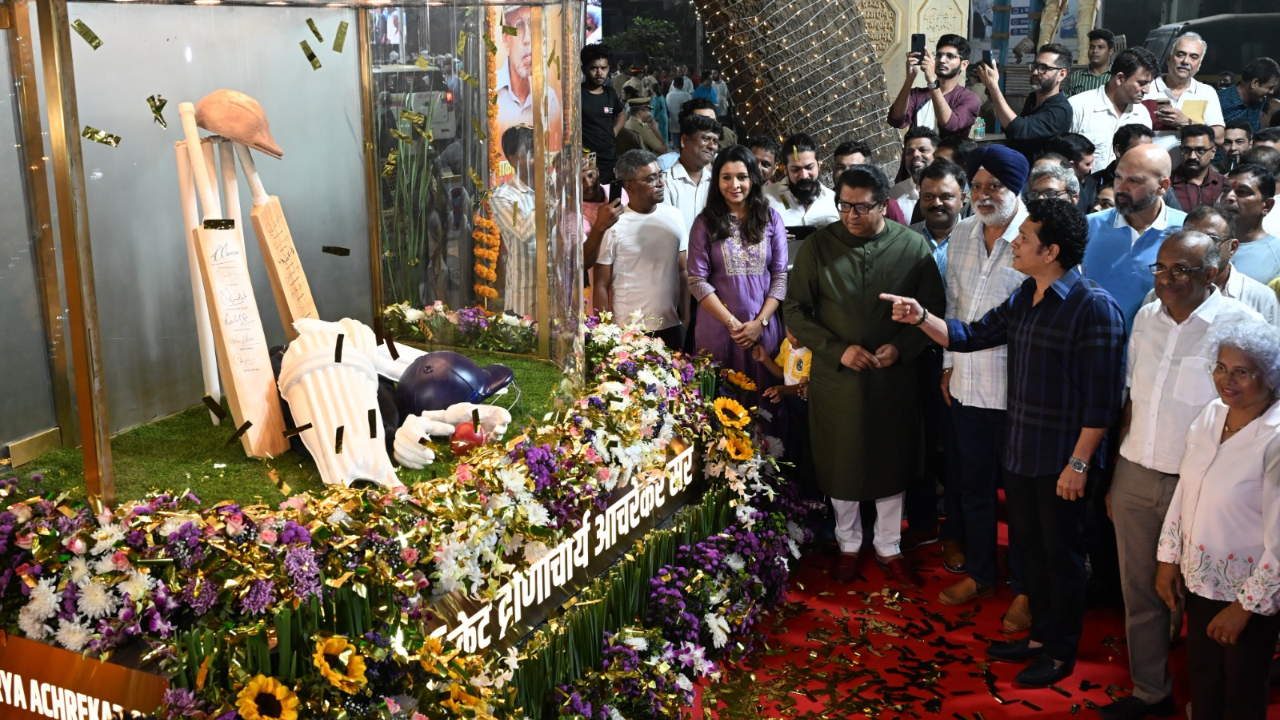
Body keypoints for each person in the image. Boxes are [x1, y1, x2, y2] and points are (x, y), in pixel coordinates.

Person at [882, 198, 1126, 688]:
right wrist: (920, 317)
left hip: (1063, 461)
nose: (1014, 242)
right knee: (1030, 552)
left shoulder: (1094, 307)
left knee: (1062, 557)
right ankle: (1037, 640)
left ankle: (1059, 652)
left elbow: (1103, 403)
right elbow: (968, 336)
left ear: (1052, 250)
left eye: (1024, 238)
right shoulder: (1026, 295)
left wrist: (1079, 465)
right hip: (1021, 450)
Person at [1100, 231, 1260, 720]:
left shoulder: (1240, 326)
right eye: (1161, 268)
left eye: (1181, 270)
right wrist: (1117, 473)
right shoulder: (1147, 317)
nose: (1167, 279)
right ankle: (1151, 691)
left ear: (1212, 273)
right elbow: (1132, 396)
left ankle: (1211, 702)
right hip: (1136, 474)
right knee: (1142, 593)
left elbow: (1259, 410)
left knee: (1205, 601)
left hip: (1202, 487)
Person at [783, 164, 946, 590]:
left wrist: (903, 347)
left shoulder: (912, 246)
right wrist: (839, 350)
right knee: (843, 460)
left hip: (894, 376)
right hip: (837, 377)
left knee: (890, 459)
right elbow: (795, 309)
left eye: (863, 207)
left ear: (883, 204)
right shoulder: (819, 246)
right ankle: (849, 543)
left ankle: (889, 546)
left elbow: (933, 308)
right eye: (844, 206)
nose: (852, 215)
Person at [1156, 318, 1280, 720]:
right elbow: (1186, 489)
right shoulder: (1211, 415)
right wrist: (1168, 558)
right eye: (1221, 367)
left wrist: (1245, 607)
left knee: (1242, 692)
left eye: (1242, 371)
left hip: (1249, 592)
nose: (1227, 380)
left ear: (1271, 374)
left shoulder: (1275, 436)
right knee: (1204, 680)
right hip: (1201, 579)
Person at [934, 147, 1034, 634]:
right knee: (972, 487)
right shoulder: (964, 231)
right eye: (977, 186)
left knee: (1022, 500)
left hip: (1022, 392)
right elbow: (953, 300)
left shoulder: (1038, 237)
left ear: (1017, 189)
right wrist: (950, 364)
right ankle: (981, 573)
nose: (983, 195)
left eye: (995, 186)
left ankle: (1027, 590)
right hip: (969, 383)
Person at [902, 159, 969, 556]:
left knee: (960, 451)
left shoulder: (979, 237)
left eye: (946, 195)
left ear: (963, 197)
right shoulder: (903, 237)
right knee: (919, 445)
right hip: (915, 357)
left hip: (964, 356)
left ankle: (957, 533)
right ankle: (924, 523)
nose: (937, 202)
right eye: (928, 196)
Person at [686, 145, 788, 394]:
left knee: (766, 399)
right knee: (719, 401)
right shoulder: (705, 222)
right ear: (717, 181)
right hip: (718, 329)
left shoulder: (771, 218)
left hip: (763, 327)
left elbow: (780, 276)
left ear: (753, 178)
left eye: (742, 177)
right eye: (726, 177)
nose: (735, 185)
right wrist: (732, 324)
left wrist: (760, 323)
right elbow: (697, 280)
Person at [1082, 144, 1187, 328]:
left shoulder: (1186, 231)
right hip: (1094, 347)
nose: (1120, 188)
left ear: (1162, 186)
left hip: (1155, 350)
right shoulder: (1088, 226)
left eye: (1134, 181)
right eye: (1118, 177)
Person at [593, 150, 689, 349]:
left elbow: (683, 271)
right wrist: (606, 332)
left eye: (660, 176)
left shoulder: (675, 216)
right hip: (629, 331)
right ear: (629, 187)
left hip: (671, 326)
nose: (661, 183)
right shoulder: (614, 224)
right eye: (651, 179)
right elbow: (601, 284)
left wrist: (685, 318)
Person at [976, 43, 1074, 161]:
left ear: (1061, 74)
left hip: (1039, 176)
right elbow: (1013, 133)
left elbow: (1018, 130)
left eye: (1043, 68)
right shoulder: (1032, 100)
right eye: (1034, 65)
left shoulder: (1060, 110)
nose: (1034, 72)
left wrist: (993, 87)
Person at [1069, 47, 1160, 168]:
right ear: (1120, 78)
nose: (1147, 90)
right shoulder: (1078, 106)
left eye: (1149, 83)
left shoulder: (1141, 114)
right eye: (1142, 83)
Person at [495, 5, 562, 156]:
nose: (527, 39)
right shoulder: (492, 95)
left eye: (533, 26)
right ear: (506, 39)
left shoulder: (549, 98)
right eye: (519, 27)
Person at [887, 33, 981, 137]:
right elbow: (896, 120)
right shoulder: (917, 94)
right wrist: (910, 78)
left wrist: (932, 82)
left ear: (964, 65)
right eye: (939, 55)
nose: (942, 60)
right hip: (916, 153)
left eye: (950, 56)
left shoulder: (969, 99)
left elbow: (950, 125)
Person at [1150, 33, 1225, 155]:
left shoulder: (1207, 92)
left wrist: (1186, 123)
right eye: (1180, 54)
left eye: (1193, 57)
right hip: (1150, 170)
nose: (1185, 61)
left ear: (1199, 65)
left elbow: (1219, 137)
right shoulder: (1146, 89)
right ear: (1169, 59)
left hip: (1190, 170)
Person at [491, 126, 537, 316]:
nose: (541, 159)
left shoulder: (552, 185)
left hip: (556, 291)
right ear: (512, 159)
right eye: (533, 153)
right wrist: (550, 197)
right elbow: (526, 232)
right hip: (524, 297)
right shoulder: (504, 196)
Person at [1219, 163, 1280, 283]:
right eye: (1226, 190)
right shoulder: (1206, 243)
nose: (1229, 197)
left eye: (1242, 192)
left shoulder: (1277, 253)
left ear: (1267, 205)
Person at [764, 133, 841, 228]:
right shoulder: (765, 197)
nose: (804, 176)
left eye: (809, 167)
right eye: (796, 169)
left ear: (818, 165)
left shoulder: (833, 200)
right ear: (785, 170)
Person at [661, 114, 721, 233]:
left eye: (715, 141)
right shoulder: (665, 182)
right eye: (705, 139)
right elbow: (665, 230)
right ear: (684, 141)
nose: (711, 146)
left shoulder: (716, 183)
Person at [579, 44, 627, 184]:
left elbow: (622, 113)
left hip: (610, 158)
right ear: (584, 69)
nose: (599, 73)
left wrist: (615, 131)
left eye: (603, 68)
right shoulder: (577, 94)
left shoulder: (610, 93)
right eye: (594, 68)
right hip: (587, 161)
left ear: (608, 69)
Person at [1169, 124, 1227, 211]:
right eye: (1186, 150)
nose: (1192, 156)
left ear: (1213, 152)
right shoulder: (1166, 185)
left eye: (1200, 150)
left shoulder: (1225, 185)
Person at [1217, 57, 1280, 133]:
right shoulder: (1218, 101)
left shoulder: (1261, 101)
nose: (1272, 92)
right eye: (1270, 88)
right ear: (1254, 83)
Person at [890, 127, 939, 223]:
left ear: (937, 154)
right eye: (909, 152)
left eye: (923, 150)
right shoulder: (894, 194)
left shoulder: (949, 190)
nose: (915, 154)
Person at [1064, 29, 1116, 97]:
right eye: (1092, 47)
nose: (1095, 51)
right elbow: (1065, 103)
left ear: (1111, 51)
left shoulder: (1117, 76)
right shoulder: (1076, 77)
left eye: (1100, 47)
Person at [665, 76, 693, 150]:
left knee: (675, 145)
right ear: (683, 84)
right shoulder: (687, 95)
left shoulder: (669, 95)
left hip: (673, 121)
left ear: (673, 85)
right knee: (684, 144)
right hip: (685, 122)